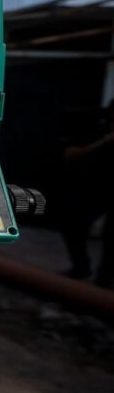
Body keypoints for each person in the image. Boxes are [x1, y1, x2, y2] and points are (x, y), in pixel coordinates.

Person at [61, 102, 114, 287]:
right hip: (94, 187)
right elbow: (70, 154)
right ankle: (81, 267)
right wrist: (105, 141)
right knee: (74, 227)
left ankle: (105, 278)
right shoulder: (93, 127)